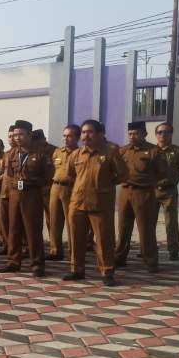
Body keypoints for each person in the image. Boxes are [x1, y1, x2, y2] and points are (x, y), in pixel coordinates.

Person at [63, 120, 128, 286]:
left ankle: (107, 272)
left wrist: (105, 185)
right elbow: (70, 174)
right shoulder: (76, 154)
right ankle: (77, 270)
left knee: (104, 239)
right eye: (84, 132)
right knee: (75, 237)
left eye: (90, 132)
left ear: (100, 134)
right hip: (77, 203)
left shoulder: (111, 152)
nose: (86, 136)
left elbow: (123, 174)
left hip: (100, 203)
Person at [0, 120, 53, 277]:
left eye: (21, 134)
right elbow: (9, 175)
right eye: (15, 135)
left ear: (30, 134)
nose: (17, 138)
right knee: (13, 229)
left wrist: (31, 182)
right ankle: (13, 262)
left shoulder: (40, 153)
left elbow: (48, 176)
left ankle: (37, 264)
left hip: (32, 195)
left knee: (33, 231)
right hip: (15, 195)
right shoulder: (11, 154)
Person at [114, 121, 166, 273]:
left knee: (146, 228)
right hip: (125, 192)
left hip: (144, 193)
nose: (132, 136)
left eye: (136, 133)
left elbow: (162, 172)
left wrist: (149, 183)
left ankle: (150, 261)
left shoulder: (153, 151)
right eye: (130, 134)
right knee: (123, 227)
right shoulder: (123, 151)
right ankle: (120, 258)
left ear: (144, 134)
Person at [153, 123, 179, 261]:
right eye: (160, 132)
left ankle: (173, 251)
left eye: (167, 132)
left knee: (171, 223)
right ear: (156, 134)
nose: (163, 135)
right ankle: (148, 248)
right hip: (152, 191)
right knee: (149, 222)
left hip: (169, 191)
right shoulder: (151, 150)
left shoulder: (178, 151)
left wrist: (173, 176)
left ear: (171, 134)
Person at [47, 124, 81, 261]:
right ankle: (55, 250)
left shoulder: (80, 153)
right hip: (55, 187)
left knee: (71, 222)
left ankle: (74, 252)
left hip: (71, 189)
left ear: (77, 138)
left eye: (70, 136)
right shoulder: (57, 152)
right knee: (54, 220)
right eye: (64, 135)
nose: (66, 139)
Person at [32, 129, 58, 236]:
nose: (37, 144)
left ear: (44, 139)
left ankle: (54, 245)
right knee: (35, 219)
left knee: (51, 218)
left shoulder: (55, 151)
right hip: (35, 190)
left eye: (39, 142)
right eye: (35, 142)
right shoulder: (32, 151)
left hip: (50, 189)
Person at [0, 125, 15, 255]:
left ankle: (22, 247)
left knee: (17, 224)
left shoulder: (25, 153)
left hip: (17, 193)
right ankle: (7, 246)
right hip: (4, 192)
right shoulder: (7, 154)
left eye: (14, 136)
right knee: (4, 221)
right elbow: (3, 172)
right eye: (9, 136)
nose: (11, 139)